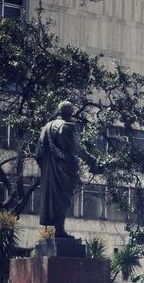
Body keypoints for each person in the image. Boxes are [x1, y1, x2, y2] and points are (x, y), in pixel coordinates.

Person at [36, 100, 98, 238]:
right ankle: (60, 230)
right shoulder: (66, 127)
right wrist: (92, 160)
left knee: (55, 199)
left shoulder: (45, 128)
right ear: (70, 114)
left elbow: (38, 154)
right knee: (63, 199)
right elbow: (77, 149)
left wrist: (47, 167)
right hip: (64, 170)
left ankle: (59, 230)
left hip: (49, 170)